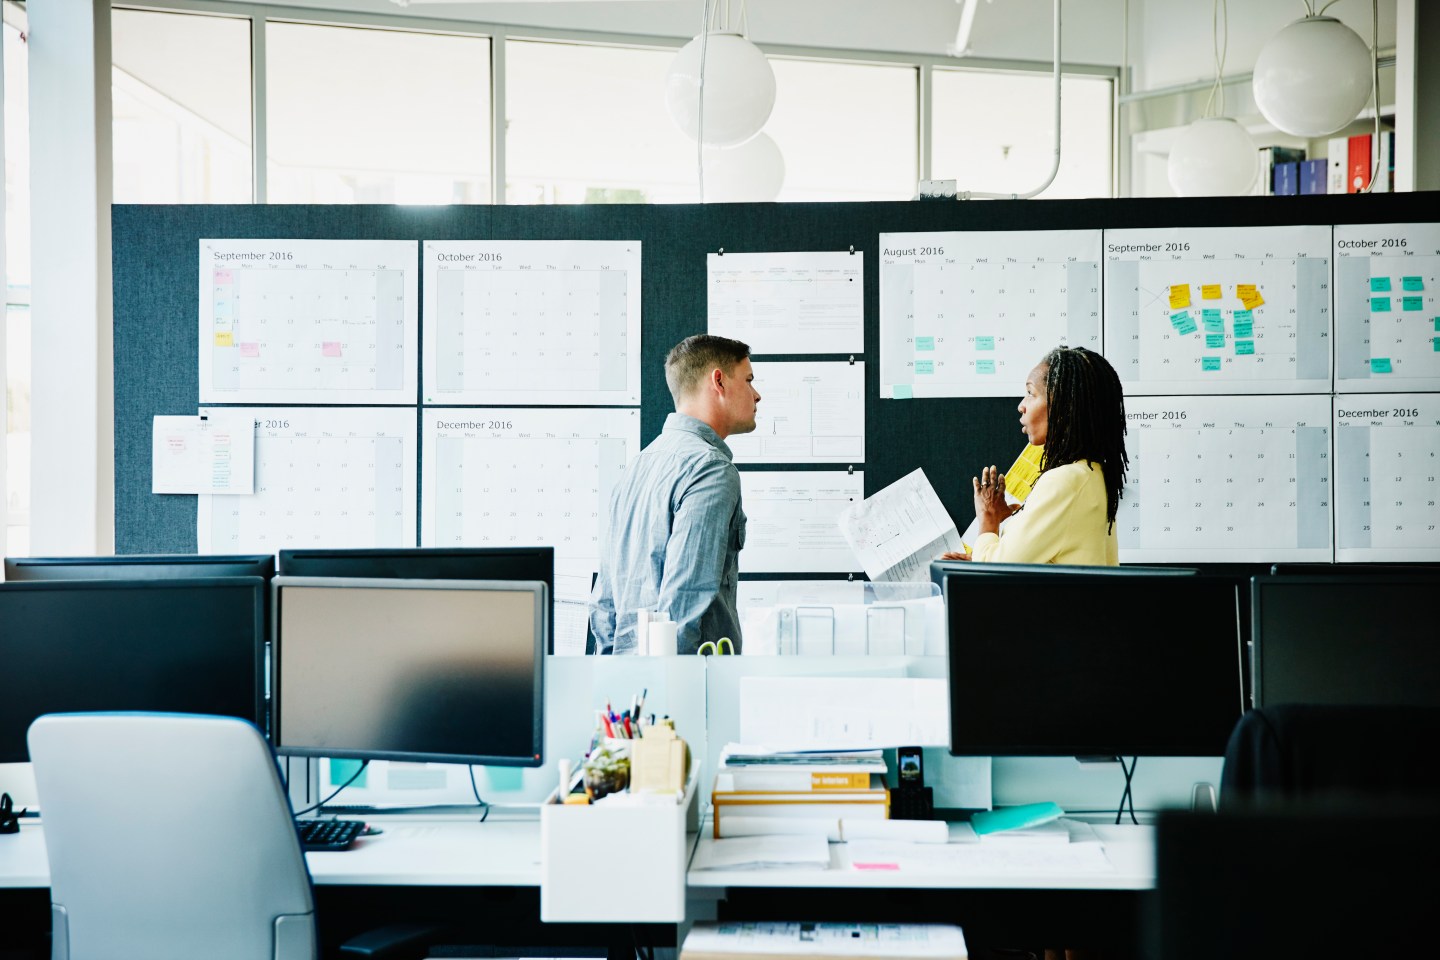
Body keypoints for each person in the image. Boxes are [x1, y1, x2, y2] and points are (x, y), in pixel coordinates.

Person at [589, 334, 760, 654]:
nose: (757, 394)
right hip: (686, 687)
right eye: (748, 380)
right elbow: (686, 600)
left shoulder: (637, 466)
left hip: (631, 689)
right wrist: (673, 692)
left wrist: (615, 675)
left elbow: (604, 603)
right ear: (719, 382)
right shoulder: (710, 469)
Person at [947, 346, 1127, 565]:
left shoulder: (1065, 481)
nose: (1021, 406)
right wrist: (1011, 523)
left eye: (1031, 393)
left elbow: (995, 571)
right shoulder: (1092, 474)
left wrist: (988, 519)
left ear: (1064, 407)